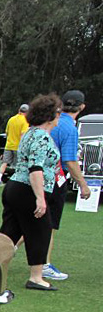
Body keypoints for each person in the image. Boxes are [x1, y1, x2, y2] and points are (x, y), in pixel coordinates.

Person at [0, 94, 63, 290]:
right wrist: (40, 198)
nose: (59, 118)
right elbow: (35, 169)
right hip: (27, 189)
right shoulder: (41, 137)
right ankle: (36, 277)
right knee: (40, 231)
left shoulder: (30, 133)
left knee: (9, 233)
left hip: (15, 187)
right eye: (58, 114)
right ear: (50, 116)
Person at [43, 89, 93, 281]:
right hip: (56, 178)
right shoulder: (70, 128)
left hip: (40, 176)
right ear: (82, 107)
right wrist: (83, 184)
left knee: (34, 221)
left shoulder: (51, 122)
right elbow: (70, 161)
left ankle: (8, 249)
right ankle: (44, 264)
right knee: (49, 225)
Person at [0, 103, 28, 184]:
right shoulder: (25, 121)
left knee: (4, 163)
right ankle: (15, 181)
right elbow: (23, 135)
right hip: (17, 147)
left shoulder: (11, 119)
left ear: (19, 110)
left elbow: (7, 132)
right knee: (18, 165)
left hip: (8, 145)